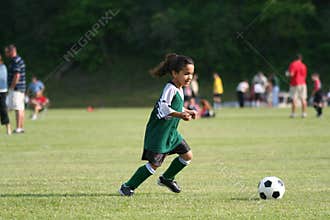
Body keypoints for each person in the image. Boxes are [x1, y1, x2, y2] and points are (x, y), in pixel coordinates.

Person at [119, 53, 197, 196]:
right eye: (186, 73)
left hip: (171, 133)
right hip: (159, 134)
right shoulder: (170, 88)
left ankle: (167, 178)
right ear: (174, 73)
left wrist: (187, 111)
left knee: (187, 155)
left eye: (191, 74)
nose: (189, 77)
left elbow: (176, 107)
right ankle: (127, 186)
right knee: (154, 165)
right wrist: (180, 115)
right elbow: (163, 108)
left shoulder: (180, 88)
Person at [5, 45, 26, 133]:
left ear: (11, 51)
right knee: (21, 108)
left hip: (17, 88)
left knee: (17, 108)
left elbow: (17, 75)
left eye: (7, 52)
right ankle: (20, 127)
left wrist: (11, 88)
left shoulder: (15, 61)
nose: (6, 54)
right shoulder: (19, 59)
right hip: (21, 88)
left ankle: (18, 128)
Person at [0, 54, 12, 134]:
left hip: (2, 91)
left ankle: (8, 128)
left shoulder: (2, 67)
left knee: (3, 110)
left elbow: (2, 79)